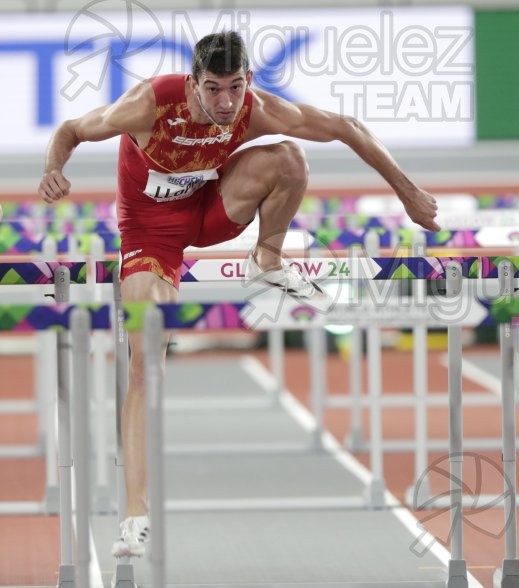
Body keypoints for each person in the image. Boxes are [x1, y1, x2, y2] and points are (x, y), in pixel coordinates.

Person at [37, 31, 440, 559]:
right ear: (192, 83)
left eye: (235, 87)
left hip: (213, 211)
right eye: (213, 89)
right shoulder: (146, 105)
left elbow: (347, 127)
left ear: (247, 81)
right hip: (149, 237)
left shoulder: (254, 109)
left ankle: (267, 259)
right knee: (144, 364)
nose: (225, 102)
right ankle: (136, 514)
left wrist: (408, 192)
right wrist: (53, 168)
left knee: (291, 157)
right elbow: (71, 128)